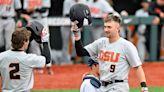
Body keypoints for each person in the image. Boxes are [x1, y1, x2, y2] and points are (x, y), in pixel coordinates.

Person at [71, 12, 148, 92]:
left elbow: (137, 67)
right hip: (103, 87)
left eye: (109, 27)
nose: (106, 30)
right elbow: (81, 52)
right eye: (105, 27)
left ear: (117, 29)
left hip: (119, 87)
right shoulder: (101, 42)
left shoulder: (126, 46)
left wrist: (144, 86)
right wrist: (77, 35)